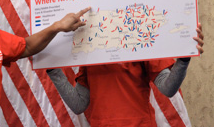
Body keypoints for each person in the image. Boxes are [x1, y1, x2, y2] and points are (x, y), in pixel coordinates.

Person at [47, 24, 204, 127]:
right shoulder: (91, 46)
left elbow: (168, 89)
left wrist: (183, 60)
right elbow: (79, 104)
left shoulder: (140, 33)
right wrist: (52, 69)